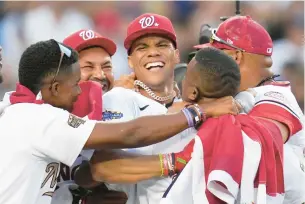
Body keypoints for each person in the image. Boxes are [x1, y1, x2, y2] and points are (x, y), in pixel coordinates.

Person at [0, 39, 235, 204]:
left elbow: (84, 173)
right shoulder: (35, 117)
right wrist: (197, 113)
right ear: (55, 87)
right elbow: (128, 134)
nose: (79, 92)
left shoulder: (21, 110)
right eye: (75, 84)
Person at [89, 47, 300, 204]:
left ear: (191, 93)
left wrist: (176, 161)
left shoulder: (167, 135)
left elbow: (101, 168)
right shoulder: (258, 136)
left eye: (186, 75)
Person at [74, 13, 241, 204]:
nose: (153, 52)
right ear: (130, 61)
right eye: (142, 47)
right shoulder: (119, 98)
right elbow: (103, 167)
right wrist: (176, 161)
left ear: (177, 55)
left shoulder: (200, 102)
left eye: (162, 45)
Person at [194, 15, 305, 204]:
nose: (206, 66)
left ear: (236, 56)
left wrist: (205, 111)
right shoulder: (237, 96)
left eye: (214, 55)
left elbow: (260, 139)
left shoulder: (275, 94)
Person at [50, 29, 127, 204]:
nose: (100, 75)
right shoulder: (42, 116)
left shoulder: (123, 112)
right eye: (87, 67)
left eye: (106, 66)